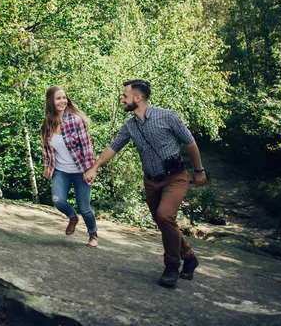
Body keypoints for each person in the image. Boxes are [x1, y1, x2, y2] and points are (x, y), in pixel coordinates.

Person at [84, 79, 206, 286]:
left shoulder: (167, 116)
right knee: (163, 221)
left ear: (137, 98)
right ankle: (190, 257)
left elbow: (190, 143)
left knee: (165, 215)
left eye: (125, 96)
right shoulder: (130, 125)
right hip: (151, 181)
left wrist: (199, 170)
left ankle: (171, 266)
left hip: (175, 178)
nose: (122, 99)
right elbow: (113, 148)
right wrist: (95, 167)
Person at [41, 85, 99, 248]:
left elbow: (87, 147)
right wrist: (47, 165)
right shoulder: (48, 124)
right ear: (51, 101)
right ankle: (72, 217)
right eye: (58, 98)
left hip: (80, 170)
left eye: (64, 98)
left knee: (84, 207)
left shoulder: (75, 120)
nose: (62, 101)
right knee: (58, 200)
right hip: (61, 171)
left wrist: (90, 170)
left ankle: (93, 234)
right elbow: (46, 147)